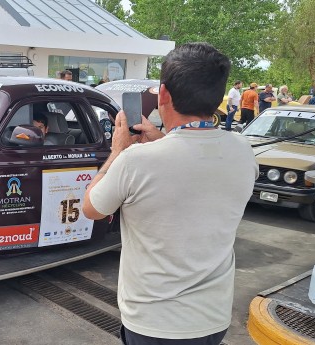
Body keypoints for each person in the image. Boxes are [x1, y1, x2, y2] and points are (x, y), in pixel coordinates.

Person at [82, 42, 258, 345]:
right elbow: (194, 164)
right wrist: (161, 139)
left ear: (163, 94)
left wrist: (116, 152)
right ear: (218, 96)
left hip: (154, 323)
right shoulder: (243, 152)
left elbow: (91, 208)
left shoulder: (135, 161)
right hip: (213, 319)